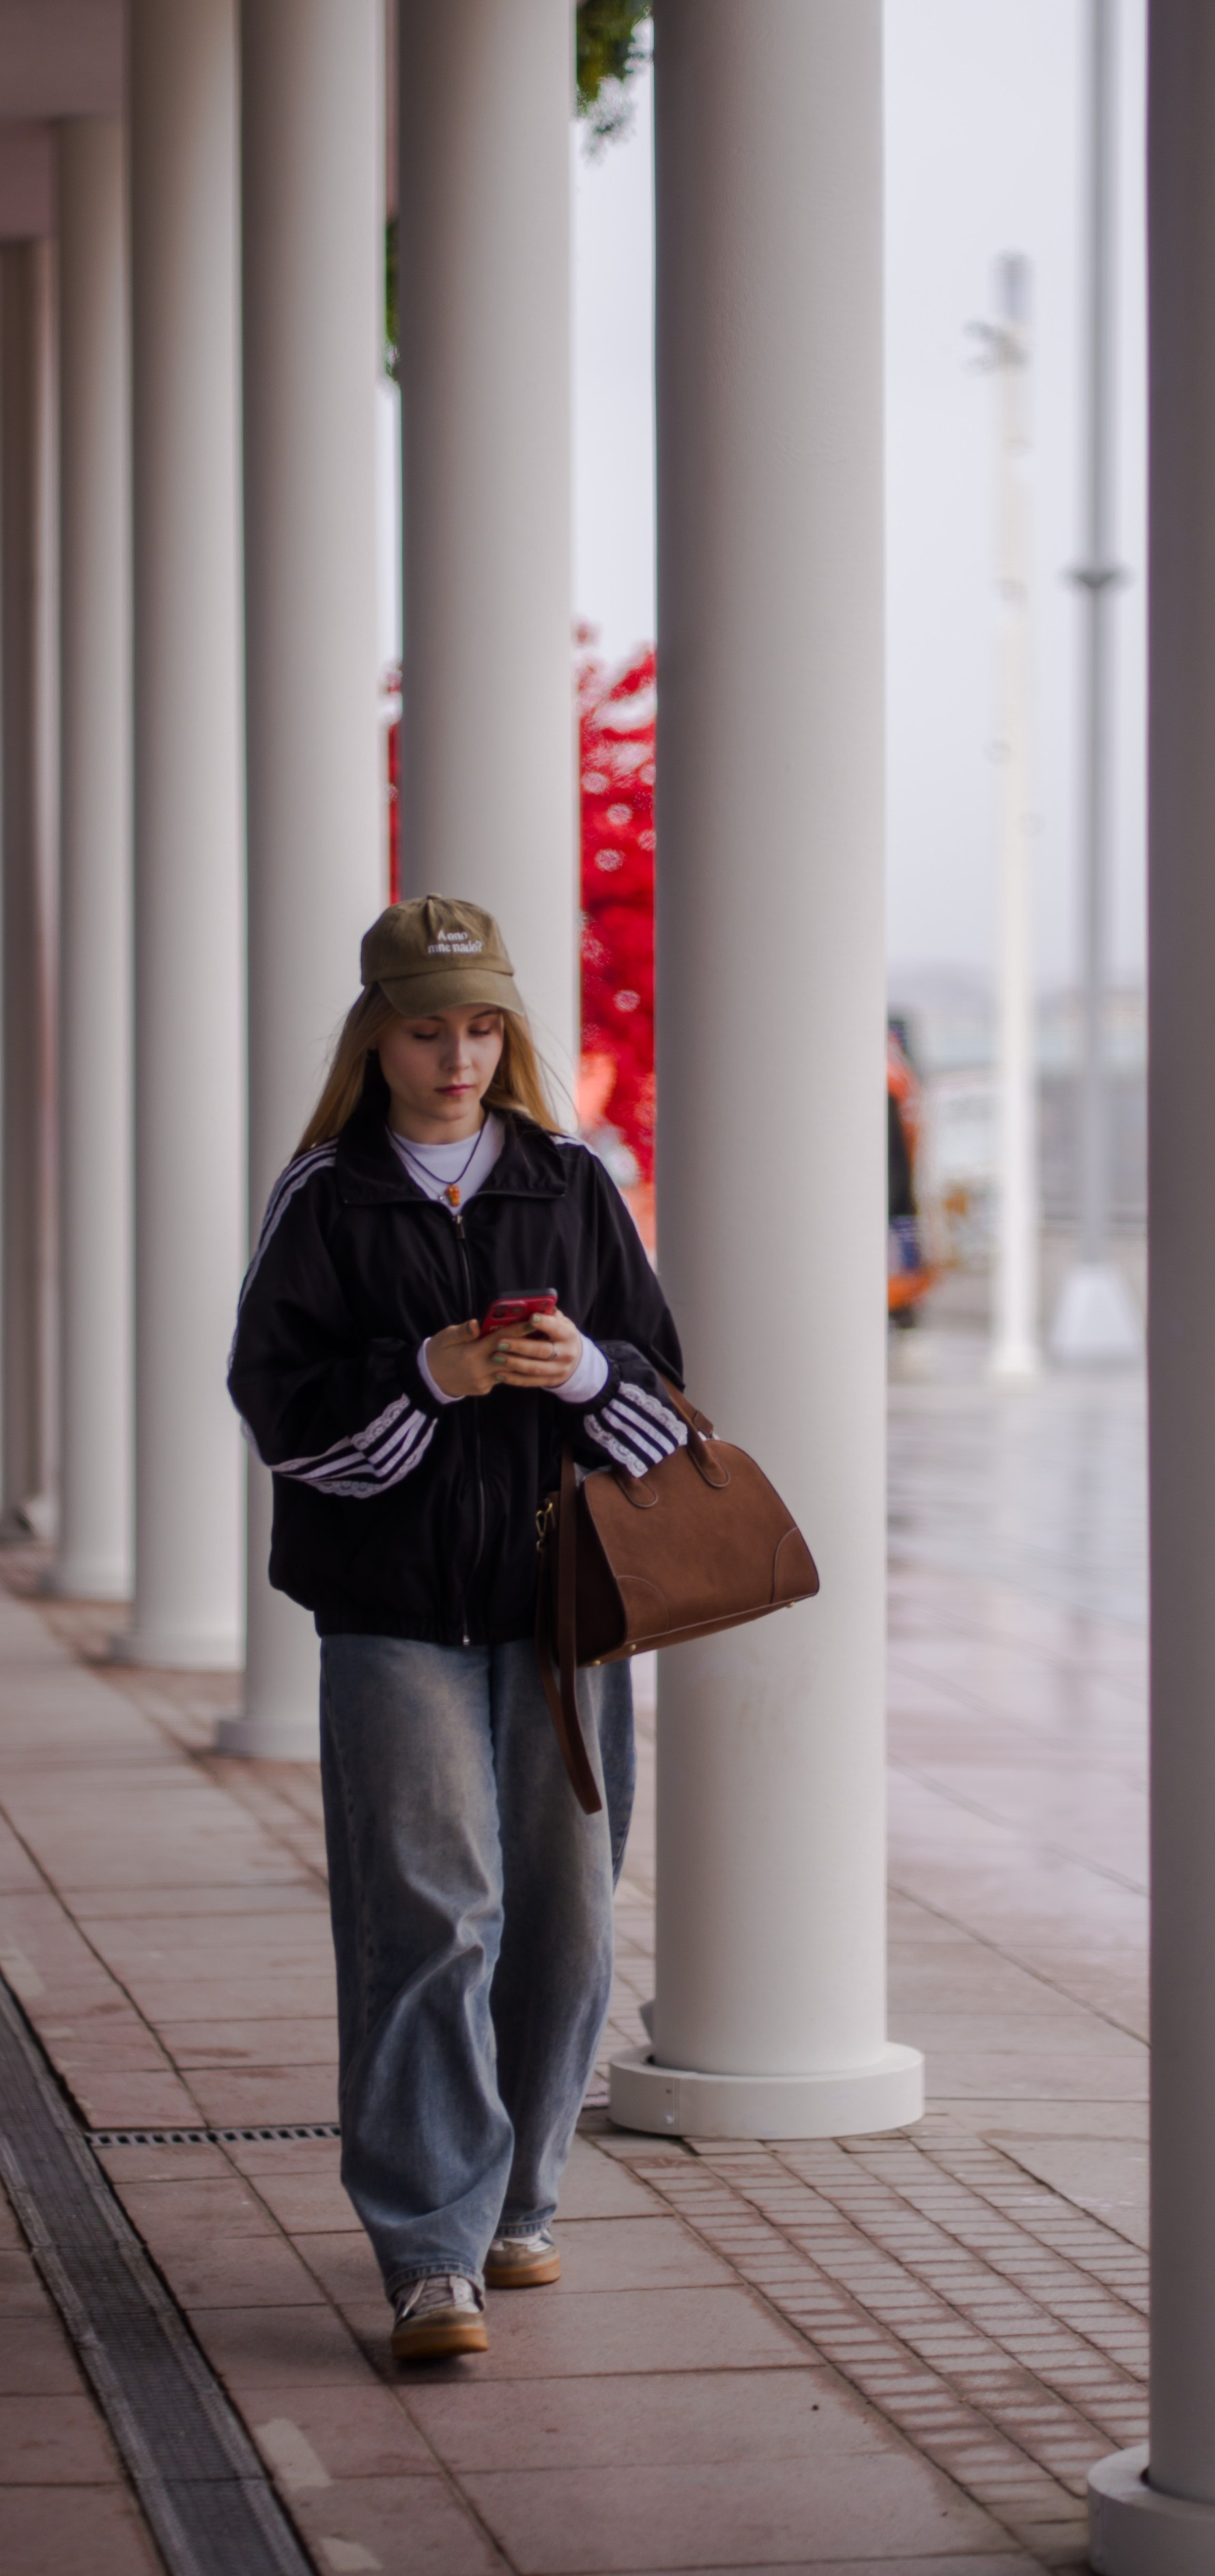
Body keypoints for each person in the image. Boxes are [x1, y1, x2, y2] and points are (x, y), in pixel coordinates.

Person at [229, 894, 685, 2364]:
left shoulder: (568, 1179)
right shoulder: (325, 1196)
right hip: (391, 1616)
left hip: (560, 1609)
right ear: (377, 1033)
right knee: (431, 1909)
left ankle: (518, 2200)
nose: (458, 1054)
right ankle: (431, 2246)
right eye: (429, 1026)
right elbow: (284, 1421)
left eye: (481, 1024)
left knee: (563, 1916)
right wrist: (426, 1373)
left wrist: (574, 1373)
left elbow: (660, 1412)